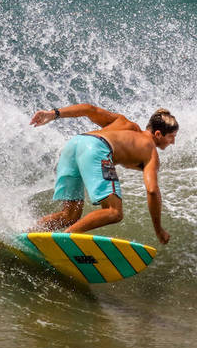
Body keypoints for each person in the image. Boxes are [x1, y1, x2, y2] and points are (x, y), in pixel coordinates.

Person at [29, 103, 178, 244]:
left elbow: (89, 109)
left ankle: (28, 234)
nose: (173, 143)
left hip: (73, 144)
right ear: (158, 134)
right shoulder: (150, 151)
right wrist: (158, 230)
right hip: (97, 148)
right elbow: (152, 190)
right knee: (114, 212)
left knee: (69, 215)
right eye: (172, 136)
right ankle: (64, 241)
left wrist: (53, 114)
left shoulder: (123, 122)